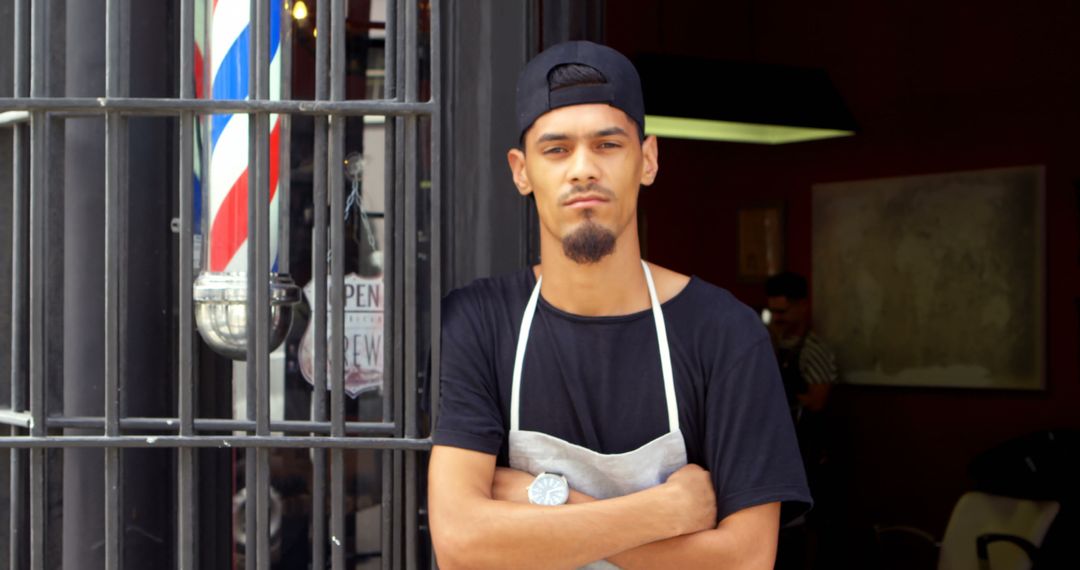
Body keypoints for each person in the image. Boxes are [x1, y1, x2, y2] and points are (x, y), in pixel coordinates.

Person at [428, 41, 811, 569]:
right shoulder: (479, 322)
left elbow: (744, 560)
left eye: (607, 145)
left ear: (647, 160)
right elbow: (461, 544)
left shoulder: (724, 333)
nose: (583, 169)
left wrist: (535, 497)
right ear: (521, 171)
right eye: (556, 149)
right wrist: (666, 509)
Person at [763, 271, 838, 569]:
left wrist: (783, 399)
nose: (777, 318)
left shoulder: (814, 350)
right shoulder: (770, 345)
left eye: (783, 311)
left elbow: (818, 401)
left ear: (802, 306)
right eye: (773, 311)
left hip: (808, 449)